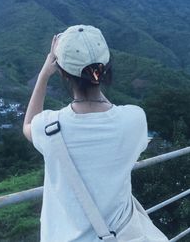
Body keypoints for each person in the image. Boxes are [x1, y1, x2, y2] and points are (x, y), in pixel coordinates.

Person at [23, 25, 168, 242]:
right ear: (107, 69)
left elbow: (28, 124)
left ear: (62, 73)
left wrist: (44, 73)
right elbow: (111, 115)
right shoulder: (133, 119)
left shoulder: (48, 125)